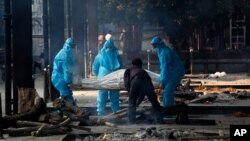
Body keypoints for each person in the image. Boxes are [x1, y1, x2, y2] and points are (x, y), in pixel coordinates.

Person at [124, 58, 163, 124]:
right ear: (141, 64)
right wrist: (139, 101)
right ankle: (159, 121)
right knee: (154, 102)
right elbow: (144, 90)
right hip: (147, 81)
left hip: (135, 81)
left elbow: (126, 82)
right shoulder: (143, 71)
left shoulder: (129, 70)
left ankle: (131, 122)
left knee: (131, 103)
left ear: (132, 64)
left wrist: (131, 94)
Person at [151, 36, 185, 108]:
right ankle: (169, 106)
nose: (153, 47)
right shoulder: (162, 50)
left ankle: (168, 109)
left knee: (168, 91)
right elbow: (164, 67)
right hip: (173, 71)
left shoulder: (164, 53)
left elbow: (165, 67)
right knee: (168, 91)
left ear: (157, 44)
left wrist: (162, 81)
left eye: (154, 45)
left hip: (176, 72)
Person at [92, 38, 122, 116]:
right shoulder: (116, 55)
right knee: (114, 96)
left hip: (103, 78)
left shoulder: (99, 56)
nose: (109, 50)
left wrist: (98, 75)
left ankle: (100, 112)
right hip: (114, 77)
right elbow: (121, 67)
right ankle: (116, 112)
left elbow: (95, 68)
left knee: (102, 96)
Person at [51, 37, 76, 106]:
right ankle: (72, 111)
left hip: (60, 77)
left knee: (67, 94)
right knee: (66, 96)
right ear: (69, 46)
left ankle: (62, 112)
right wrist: (68, 81)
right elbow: (66, 70)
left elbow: (72, 65)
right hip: (59, 78)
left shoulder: (67, 52)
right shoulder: (64, 56)